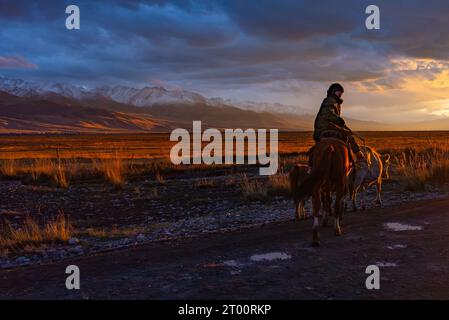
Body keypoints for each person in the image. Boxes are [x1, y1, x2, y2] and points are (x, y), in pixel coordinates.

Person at [309, 83, 364, 167]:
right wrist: (340, 121)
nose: (341, 94)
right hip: (325, 127)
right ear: (334, 91)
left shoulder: (332, 101)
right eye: (339, 91)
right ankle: (358, 155)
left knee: (346, 132)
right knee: (348, 135)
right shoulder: (331, 100)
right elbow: (328, 114)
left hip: (322, 128)